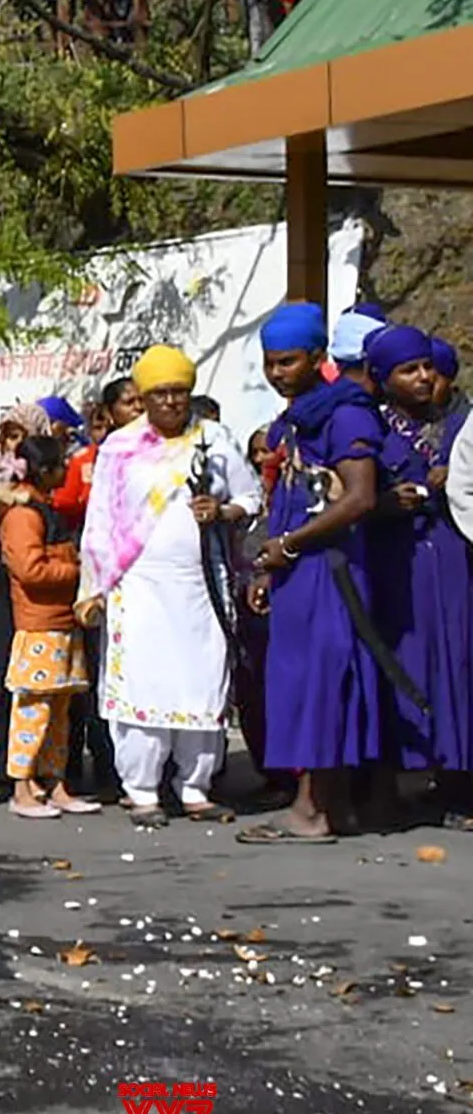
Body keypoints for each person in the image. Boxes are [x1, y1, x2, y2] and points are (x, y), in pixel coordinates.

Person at [78, 346, 261, 826]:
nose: (172, 403)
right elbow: (101, 521)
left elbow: (250, 495)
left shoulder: (214, 439)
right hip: (138, 585)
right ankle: (142, 791)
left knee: (201, 681)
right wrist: (94, 585)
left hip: (201, 585)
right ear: (143, 397)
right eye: (160, 394)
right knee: (144, 682)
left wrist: (222, 511)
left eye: (180, 393)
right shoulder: (119, 448)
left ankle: (196, 786)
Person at [240, 303, 380, 846]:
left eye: (289, 362)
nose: (278, 373)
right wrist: (268, 570)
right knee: (301, 686)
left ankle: (313, 811)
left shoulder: (344, 414)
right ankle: (330, 807)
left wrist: (290, 546)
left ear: (318, 357)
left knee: (323, 687)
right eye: (271, 364)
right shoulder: (298, 417)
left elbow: (360, 497)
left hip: (330, 573)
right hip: (295, 574)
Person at [364, 327, 472, 819]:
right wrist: (385, 503)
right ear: (383, 378)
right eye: (409, 370)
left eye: (427, 366)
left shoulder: (458, 425)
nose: (424, 377)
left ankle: (456, 781)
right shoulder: (371, 430)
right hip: (396, 562)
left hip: (451, 557)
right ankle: (394, 784)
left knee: (457, 663)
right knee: (403, 663)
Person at [0, 437, 98, 818]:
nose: (67, 470)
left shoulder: (44, 509)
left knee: (59, 712)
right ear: (46, 470)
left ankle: (54, 784)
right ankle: (21, 788)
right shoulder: (23, 515)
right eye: (60, 464)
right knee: (32, 710)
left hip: (62, 622)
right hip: (38, 625)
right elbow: (30, 570)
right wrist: (78, 568)